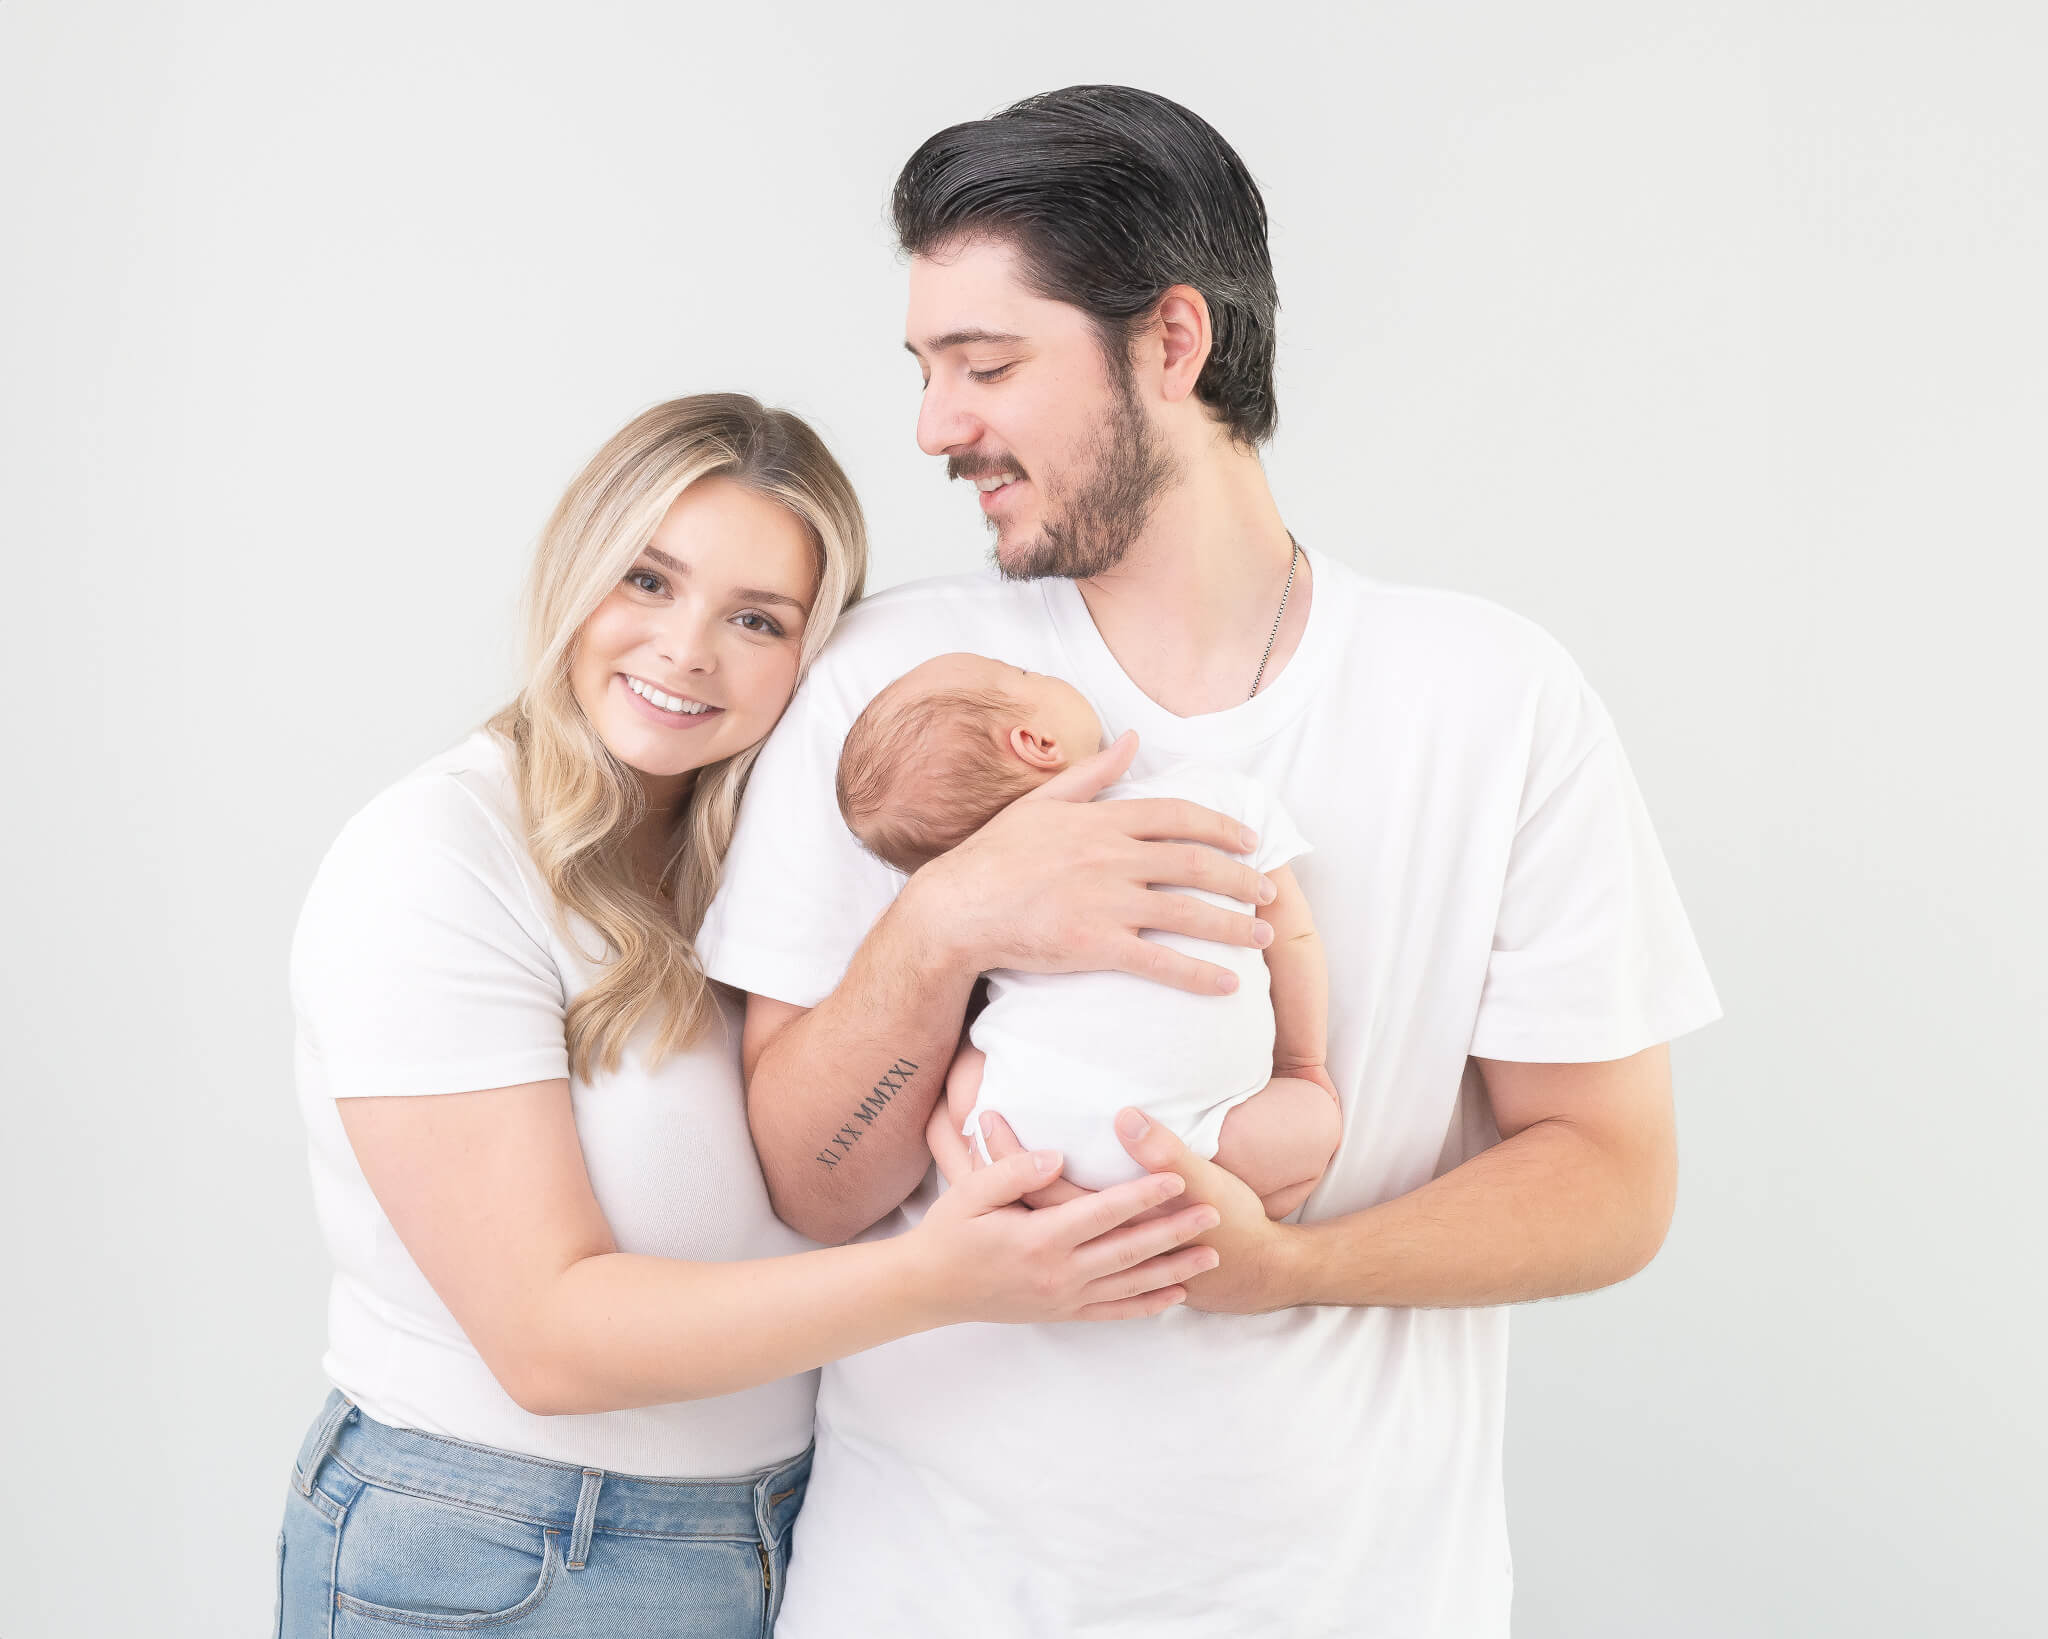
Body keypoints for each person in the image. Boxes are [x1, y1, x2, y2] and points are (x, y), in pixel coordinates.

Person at [698, 88, 1723, 1636]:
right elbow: (814, 1184)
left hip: (1358, 1600)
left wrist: (1282, 1262)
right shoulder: (897, 687)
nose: (934, 427)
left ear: (1171, 343)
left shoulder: (1490, 696)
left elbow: (1612, 1178)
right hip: (931, 1595)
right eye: (925, 370)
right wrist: (948, 921)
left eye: (986, 365)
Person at [273, 394, 1222, 1637]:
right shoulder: (437, 858)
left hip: (775, 1535)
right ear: (575, 569)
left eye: (755, 619)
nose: (686, 651)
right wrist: (940, 1278)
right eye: (647, 581)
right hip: (496, 1549)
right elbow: (547, 1339)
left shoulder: (775, 868)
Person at [835, 649, 1340, 1214]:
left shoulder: (986, 903)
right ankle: (1209, 1211)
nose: (1037, 669)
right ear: (1036, 742)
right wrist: (1303, 1065)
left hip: (1032, 1143)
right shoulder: (1215, 799)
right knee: (1313, 1127)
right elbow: (1293, 940)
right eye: (1024, 675)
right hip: (1203, 1143)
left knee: (972, 1067)